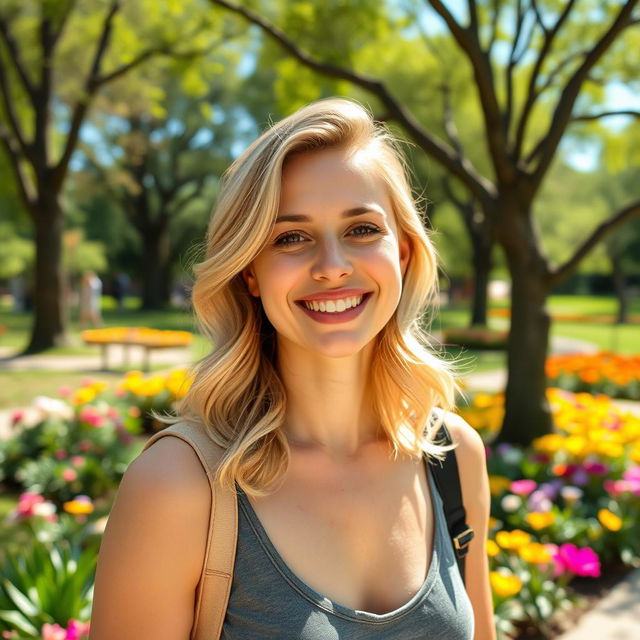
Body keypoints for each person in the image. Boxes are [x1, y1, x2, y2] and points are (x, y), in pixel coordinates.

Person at [89, 98, 495, 639]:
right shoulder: (178, 487)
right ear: (250, 272)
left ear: (402, 252)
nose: (332, 266)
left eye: (362, 229)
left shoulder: (454, 458)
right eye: (291, 237)